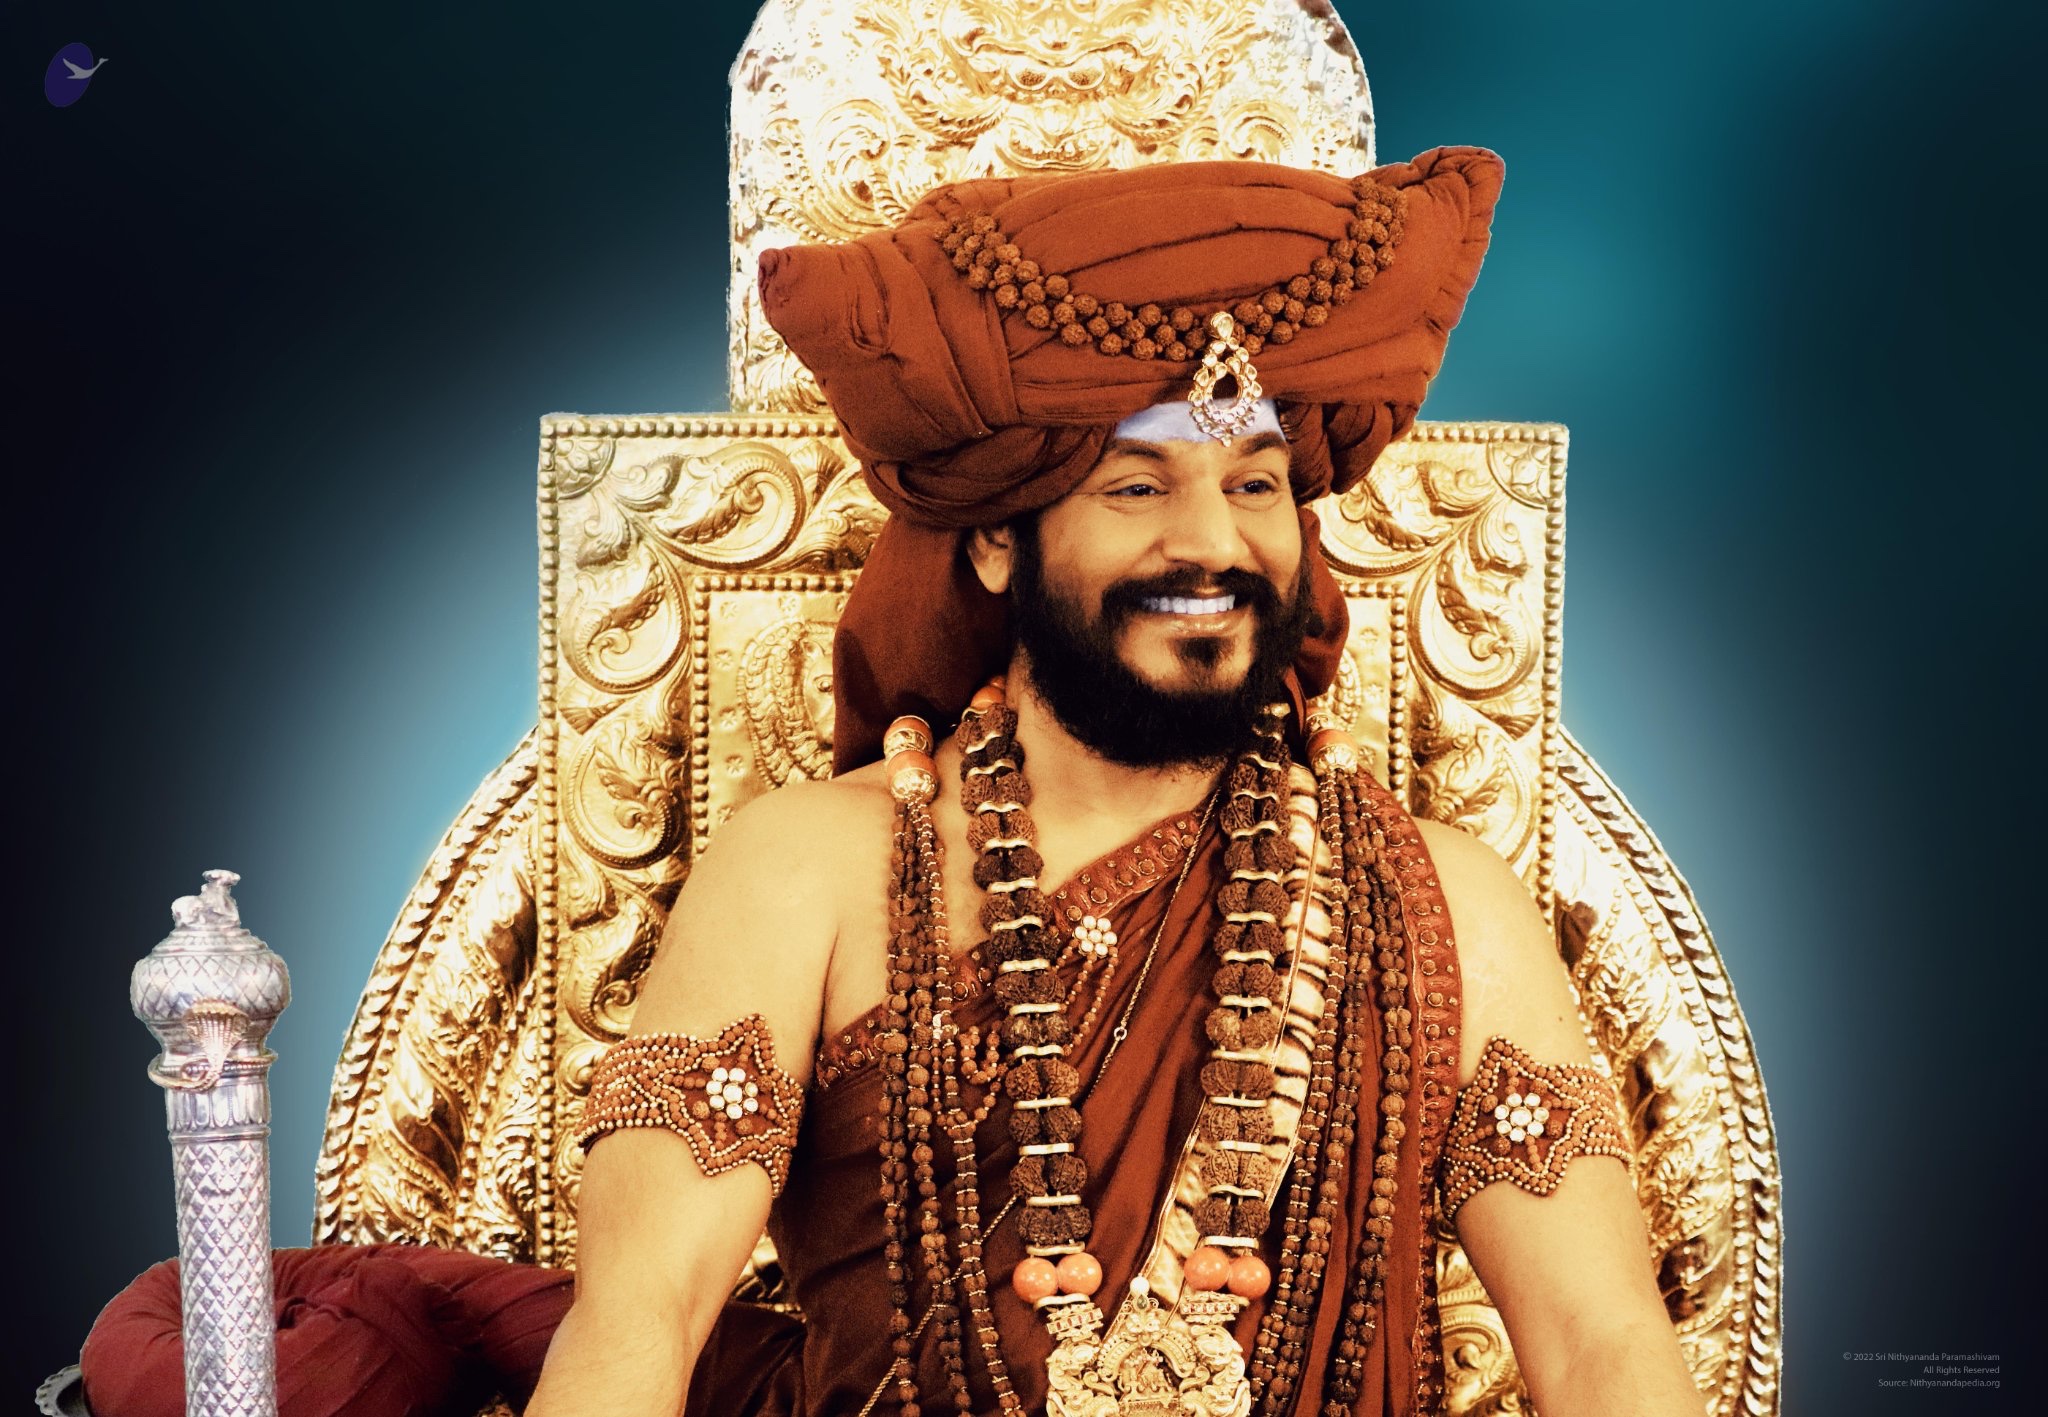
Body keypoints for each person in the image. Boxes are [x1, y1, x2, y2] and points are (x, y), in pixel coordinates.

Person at [526, 148, 1707, 1417]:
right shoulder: (809, 871)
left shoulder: (1438, 905)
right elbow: (641, 1317)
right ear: (996, 539)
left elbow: (1597, 1344)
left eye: (1253, 486)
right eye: (1136, 487)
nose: (1208, 541)